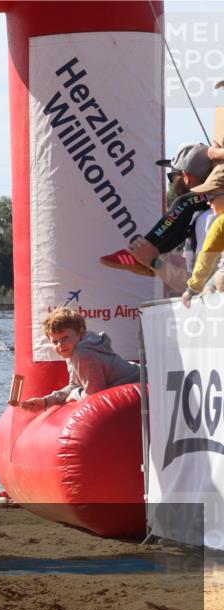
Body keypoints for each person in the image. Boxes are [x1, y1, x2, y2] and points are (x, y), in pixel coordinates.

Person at [99, 142, 222, 277]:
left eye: (172, 176)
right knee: (182, 220)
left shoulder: (209, 218)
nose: (171, 182)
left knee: (183, 203)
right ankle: (143, 259)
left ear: (187, 177)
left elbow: (198, 282)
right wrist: (154, 263)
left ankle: (139, 253)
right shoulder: (199, 217)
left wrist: (154, 262)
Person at [20, 308, 139, 411]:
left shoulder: (83, 353)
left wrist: (75, 394)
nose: (60, 345)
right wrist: (46, 401)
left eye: (65, 338)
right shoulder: (72, 350)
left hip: (141, 381)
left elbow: (95, 395)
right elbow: (75, 384)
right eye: (55, 342)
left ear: (81, 333)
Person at [182, 163, 224, 308]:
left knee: (214, 282)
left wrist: (192, 289)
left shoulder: (220, 223)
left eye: (211, 196)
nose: (208, 202)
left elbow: (206, 258)